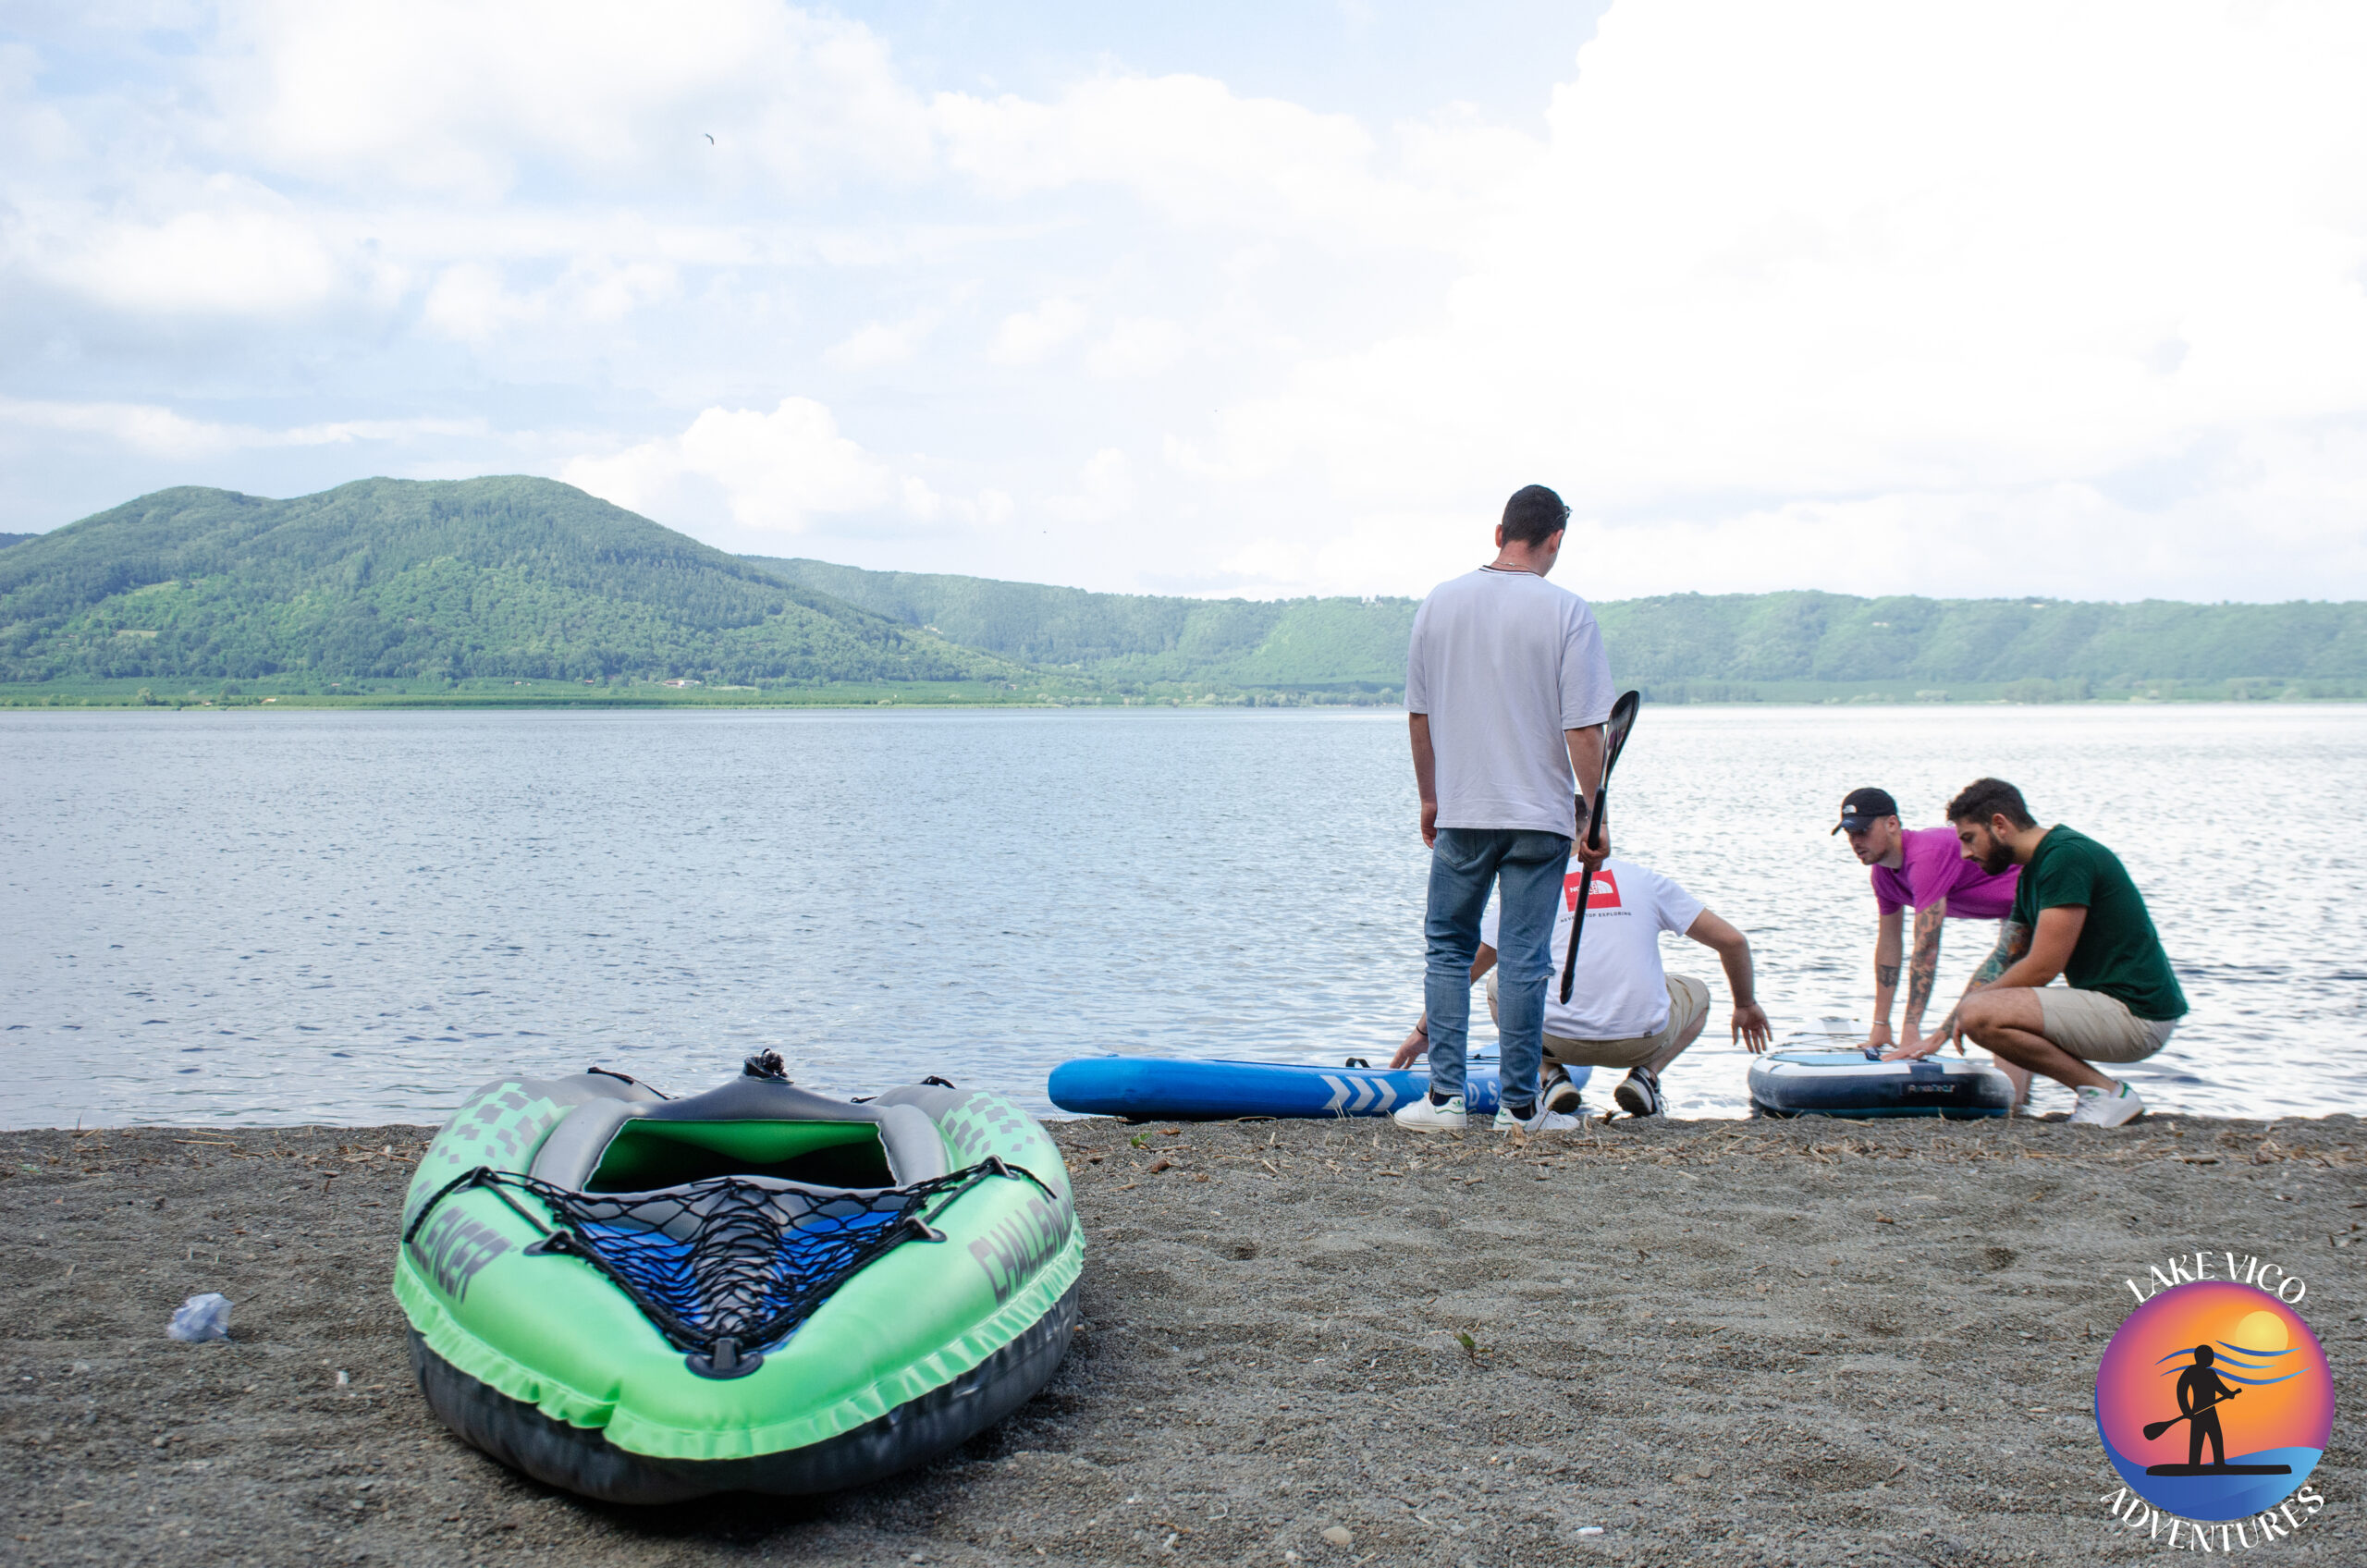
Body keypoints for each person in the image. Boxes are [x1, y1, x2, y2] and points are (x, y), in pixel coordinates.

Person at [1392, 484, 1614, 1135]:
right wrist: (1595, 815)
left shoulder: (1440, 602)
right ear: (1555, 540)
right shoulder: (1568, 612)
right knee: (1523, 957)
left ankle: (1446, 1101)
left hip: (1464, 808)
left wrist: (1429, 796)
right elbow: (1584, 730)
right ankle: (1521, 1109)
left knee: (1448, 949)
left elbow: (1419, 714)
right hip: (1540, 816)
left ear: (1498, 533)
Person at [1389, 855, 1772, 1118]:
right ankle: (1646, 1077)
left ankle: (1550, 1076)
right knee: (1696, 990)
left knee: (1500, 982)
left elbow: (1464, 971)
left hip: (1554, 1038)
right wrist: (1746, 1004)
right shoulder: (1644, 879)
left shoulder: (1529, 889)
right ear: (1599, 834)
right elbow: (1733, 942)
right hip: (1643, 1039)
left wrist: (1424, 1032)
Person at [1903, 778, 2188, 1127]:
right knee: (1979, 1011)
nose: (1965, 853)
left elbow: (2043, 966)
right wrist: (1943, 1032)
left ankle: (2105, 1093)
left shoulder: (2066, 857)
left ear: (1999, 825)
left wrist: (1972, 1011)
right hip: (2111, 1008)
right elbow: (2003, 958)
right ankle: (2097, 1093)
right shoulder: (2032, 874)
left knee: (1982, 1013)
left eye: (1969, 838)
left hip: (2137, 1015)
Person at [1832, 785, 2027, 1104]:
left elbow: (1926, 948)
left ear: (1892, 824)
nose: (1856, 842)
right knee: (2004, 998)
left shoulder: (1925, 855)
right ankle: (2018, 1104)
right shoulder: (1882, 873)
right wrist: (1881, 1025)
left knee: (2002, 999)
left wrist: (1911, 1027)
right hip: (2011, 911)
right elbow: (1889, 945)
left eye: (1864, 831)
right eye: (1850, 834)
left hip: (2036, 899)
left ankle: (2014, 1104)